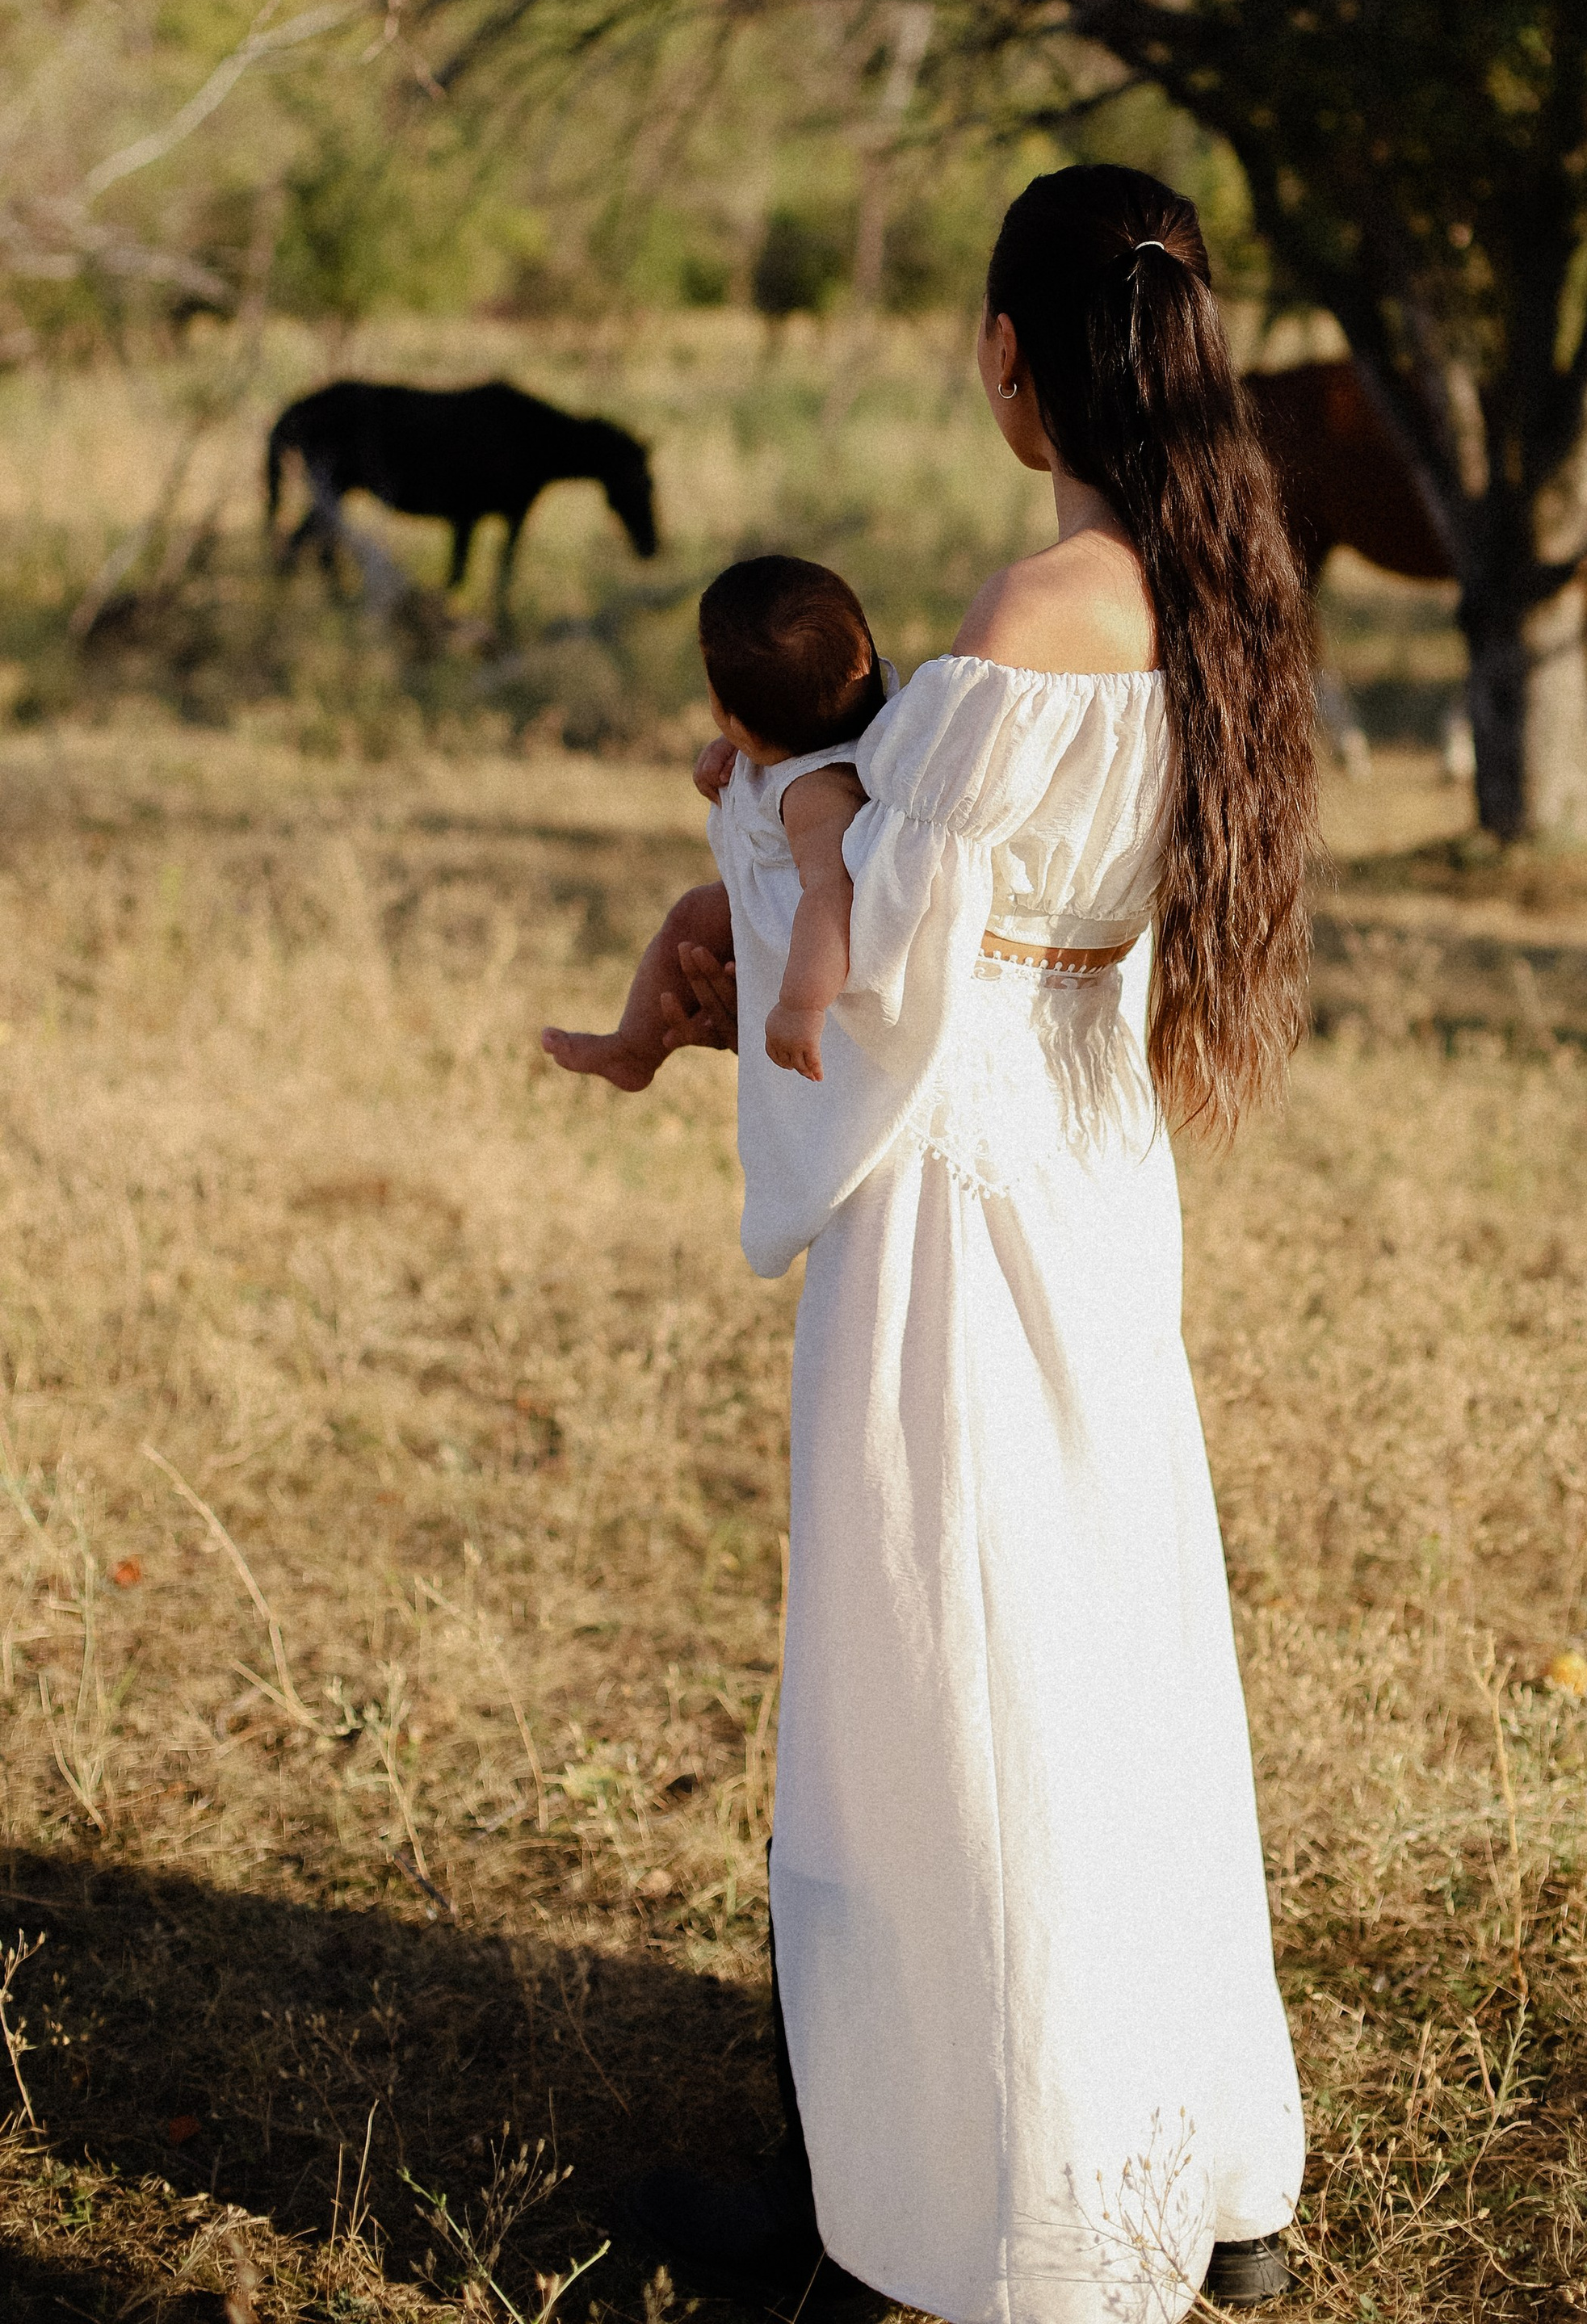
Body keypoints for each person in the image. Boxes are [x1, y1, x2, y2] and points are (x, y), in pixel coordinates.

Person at [556, 165, 1319, 2324]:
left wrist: (730, 884)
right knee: (1108, 1627)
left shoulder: (1029, 619)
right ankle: (1186, 2164)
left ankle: (955, 2210)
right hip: (1092, 1151)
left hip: (969, 1182)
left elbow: (882, 968)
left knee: (947, 1654)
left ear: (1013, 354)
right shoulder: (1227, 589)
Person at [543, 554, 884, 1097]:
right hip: (756, 898)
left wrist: (800, 1005)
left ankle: (636, 1047)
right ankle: (635, 1047)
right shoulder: (846, 699)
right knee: (693, 916)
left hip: (804, 945)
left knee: (696, 918)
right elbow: (787, 724)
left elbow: (829, 893)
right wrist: (739, 751)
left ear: (734, 716)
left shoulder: (816, 793)